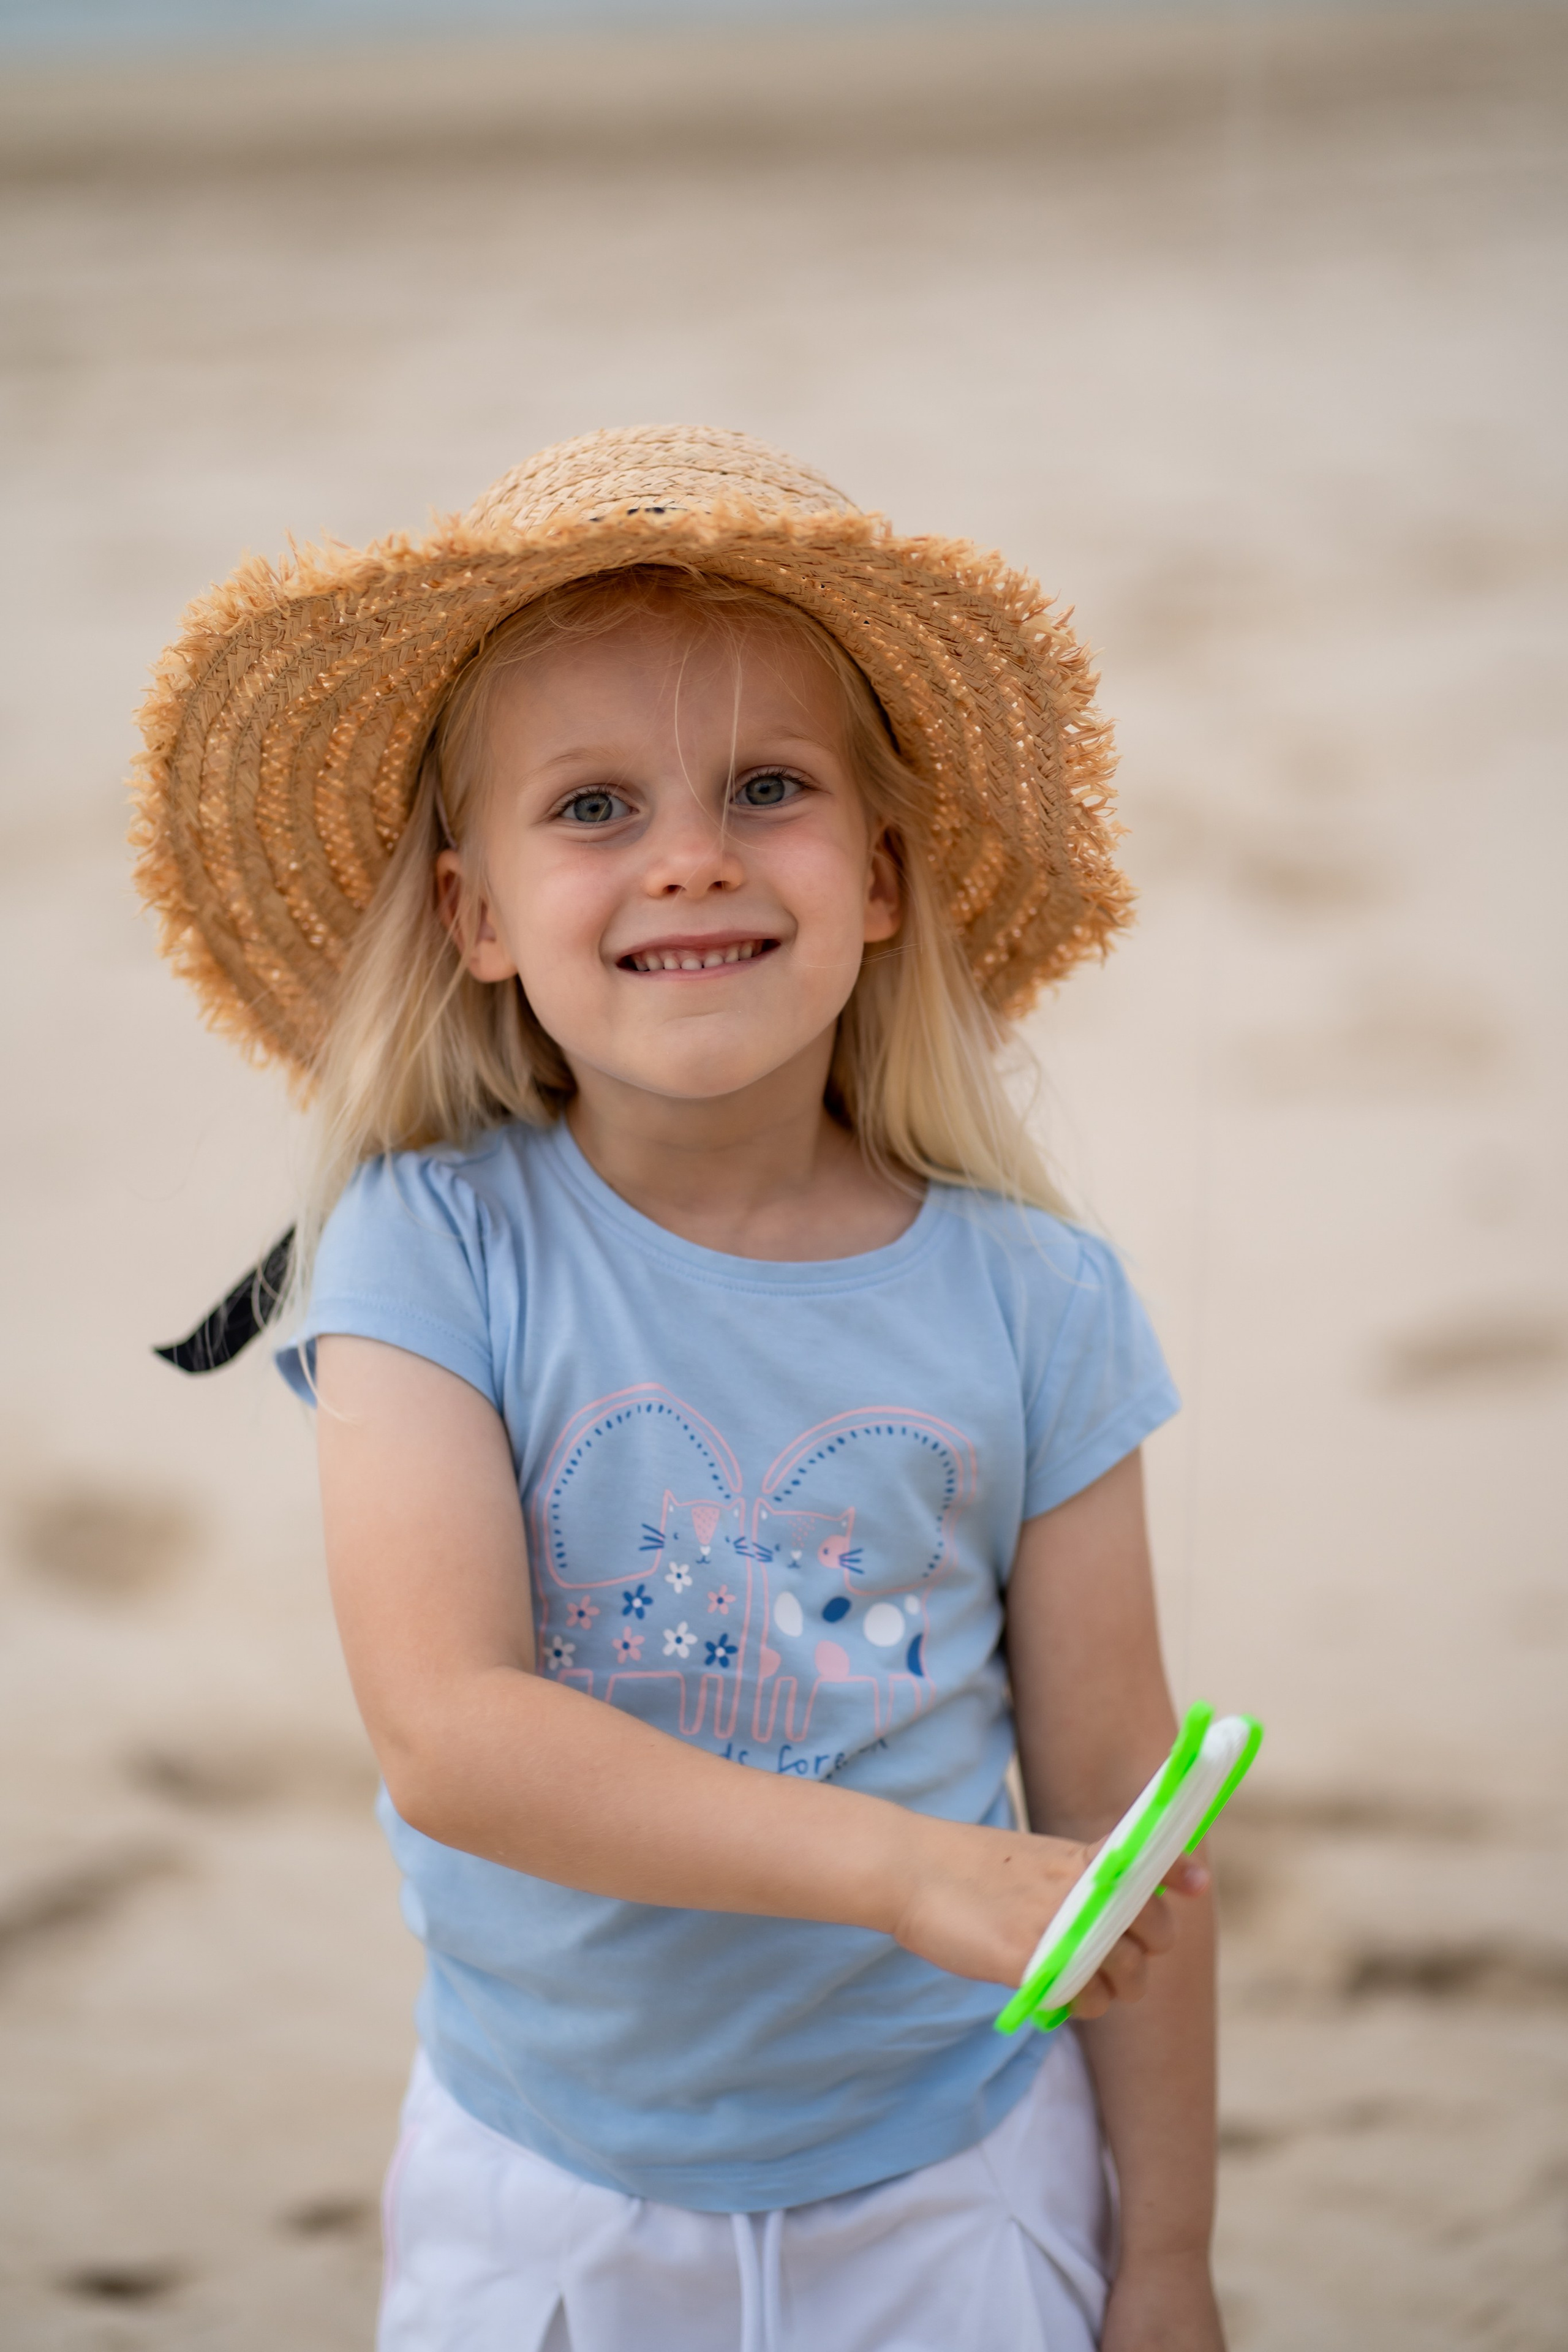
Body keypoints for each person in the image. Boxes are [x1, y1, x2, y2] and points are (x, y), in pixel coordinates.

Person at [133, 426, 1223, 2351]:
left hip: (957, 2171)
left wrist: (1167, 2260)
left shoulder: (1038, 1301)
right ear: (474, 917)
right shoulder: (431, 1252)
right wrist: (901, 1871)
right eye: (594, 807)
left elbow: (1126, 1830)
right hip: (548, 2183)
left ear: (880, 878)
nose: (692, 854)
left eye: (768, 788)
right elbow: (452, 1734)